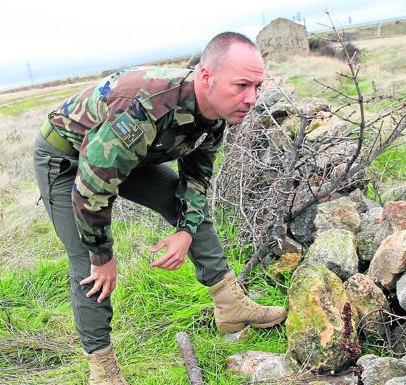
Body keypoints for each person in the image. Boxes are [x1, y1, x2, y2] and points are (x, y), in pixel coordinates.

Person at [32, 32, 286, 385]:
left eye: (257, 86)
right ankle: (102, 370)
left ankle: (231, 304)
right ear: (206, 77)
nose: (251, 98)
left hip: (127, 157)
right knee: (88, 264)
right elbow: (91, 191)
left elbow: (196, 180)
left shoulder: (216, 110)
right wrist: (103, 255)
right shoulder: (144, 108)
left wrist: (185, 231)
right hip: (67, 159)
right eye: (242, 85)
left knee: (189, 211)